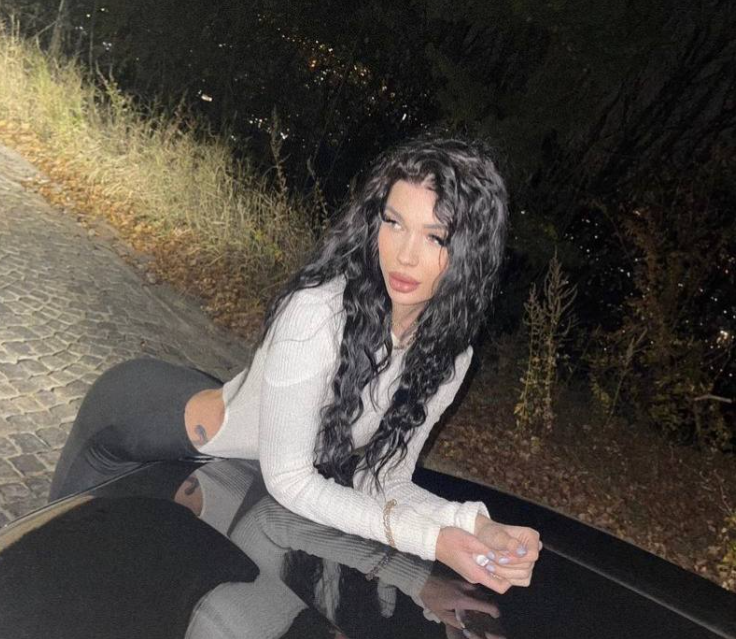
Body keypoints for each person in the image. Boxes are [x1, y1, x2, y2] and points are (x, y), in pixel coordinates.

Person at [50, 135, 541, 594]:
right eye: (393, 223)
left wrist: (476, 525)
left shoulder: (449, 358)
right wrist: (432, 542)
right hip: (134, 418)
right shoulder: (318, 312)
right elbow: (289, 481)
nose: (404, 255)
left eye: (435, 237)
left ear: (471, 252)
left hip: (231, 446)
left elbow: (383, 478)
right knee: (58, 567)